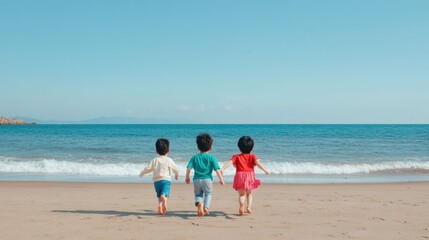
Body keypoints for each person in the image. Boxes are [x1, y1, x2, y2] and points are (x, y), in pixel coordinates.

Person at [220, 136, 270, 216]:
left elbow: (229, 162)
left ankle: (241, 203)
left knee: (241, 194)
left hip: (240, 175)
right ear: (252, 149)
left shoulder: (236, 156)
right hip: (250, 175)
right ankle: (249, 207)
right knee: (249, 194)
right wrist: (265, 170)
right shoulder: (253, 156)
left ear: (239, 148)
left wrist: (222, 169)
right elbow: (258, 164)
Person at [186, 133, 225, 217]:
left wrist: (187, 177)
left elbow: (188, 168)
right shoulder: (211, 158)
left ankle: (199, 203)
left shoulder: (194, 157)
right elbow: (217, 169)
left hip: (196, 180)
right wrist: (221, 179)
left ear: (197, 147)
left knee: (198, 194)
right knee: (208, 194)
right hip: (207, 179)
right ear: (211, 147)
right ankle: (206, 207)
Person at [139, 138, 179, 216]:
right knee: (165, 194)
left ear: (156, 151)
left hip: (156, 181)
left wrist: (142, 173)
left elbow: (149, 169)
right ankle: (163, 199)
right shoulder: (169, 160)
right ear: (168, 150)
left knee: (159, 195)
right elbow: (175, 168)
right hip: (166, 180)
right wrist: (176, 174)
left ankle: (160, 206)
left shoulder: (154, 160)